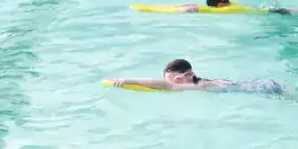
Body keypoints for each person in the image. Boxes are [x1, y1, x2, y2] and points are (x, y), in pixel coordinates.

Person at [105, 58, 288, 95]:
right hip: (261, 86)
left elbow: (161, 85)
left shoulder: (198, 86)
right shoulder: (205, 82)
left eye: (174, 81)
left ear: (184, 76)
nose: (174, 86)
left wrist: (124, 81)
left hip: (263, 90)